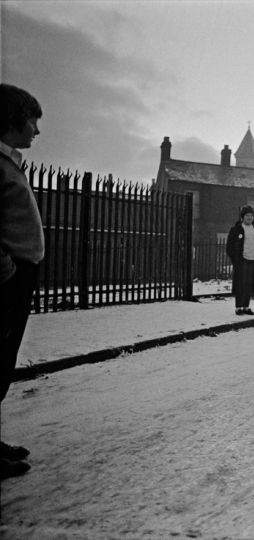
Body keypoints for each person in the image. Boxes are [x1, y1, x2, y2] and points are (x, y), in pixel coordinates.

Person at [0, 84, 43, 479]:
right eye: (32, 120)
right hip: (7, 279)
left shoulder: (10, 162)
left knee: (2, 360)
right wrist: (8, 271)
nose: (36, 129)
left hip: (18, 275)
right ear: (13, 120)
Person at [226, 205, 254, 316]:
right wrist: (235, 259)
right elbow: (229, 247)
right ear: (242, 217)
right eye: (247, 215)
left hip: (253, 261)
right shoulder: (236, 229)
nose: (249, 217)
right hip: (241, 261)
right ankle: (238, 307)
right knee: (240, 284)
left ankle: (246, 306)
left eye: (251, 215)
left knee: (249, 284)